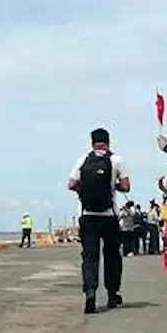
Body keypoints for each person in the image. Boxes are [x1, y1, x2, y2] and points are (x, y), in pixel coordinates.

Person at [68, 128, 131, 314]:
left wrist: (84, 189)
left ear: (92, 142)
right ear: (108, 142)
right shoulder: (116, 160)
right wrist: (112, 185)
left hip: (87, 216)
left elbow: (71, 184)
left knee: (90, 257)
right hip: (109, 216)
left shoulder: (82, 160)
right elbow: (126, 186)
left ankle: (90, 294)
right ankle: (112, 294)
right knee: (112, 255)